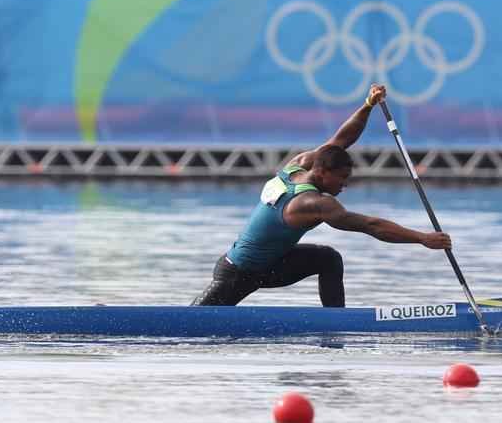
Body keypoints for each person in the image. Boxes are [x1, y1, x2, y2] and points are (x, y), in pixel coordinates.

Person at [191, 84, 452, 307]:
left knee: (327, 258)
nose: (344, 186)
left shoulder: (300, 163)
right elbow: (371, 226)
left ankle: (336, 321)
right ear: (324, 173)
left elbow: (341, 139)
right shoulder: (314, 203)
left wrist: (368, 105)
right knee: (192, 324)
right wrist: (422, 239)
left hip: (270, 265)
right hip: (237, 273)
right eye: (342, 179)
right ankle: (336, 323)